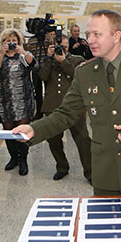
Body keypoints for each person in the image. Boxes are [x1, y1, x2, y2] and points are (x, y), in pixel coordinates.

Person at [13, 9, 121, 196]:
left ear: (116, 36)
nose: (90, 40)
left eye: (97, 34)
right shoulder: (85, 72)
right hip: (106, 171)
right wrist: (34, 129)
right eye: (88, 34)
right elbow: (66, 113)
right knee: (107, 224)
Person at [38, 35, 91, 182]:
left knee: (83, 140)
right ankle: (62, 167)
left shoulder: (78, 60)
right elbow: (42, 77)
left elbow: (80, 77)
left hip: (74, 107)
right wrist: (49, 59)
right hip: (52, 106)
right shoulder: (48, 59)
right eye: (60, 46)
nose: (63, 48)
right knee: (53, 140)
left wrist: (63, 61)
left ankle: (90, 171)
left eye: (65, 46)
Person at [0, 28, 35, 175]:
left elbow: (32, 63)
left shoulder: (23, 56)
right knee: (8, 129)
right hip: (5, 99)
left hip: (23, 98)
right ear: (3, 43)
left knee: (22, 131)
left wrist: (22, 51)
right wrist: (3, 53)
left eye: (14, 41)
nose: (11, 43)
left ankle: (23, 159)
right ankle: (13, 158)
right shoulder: (0, 57)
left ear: (19, 42)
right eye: (8, 41)